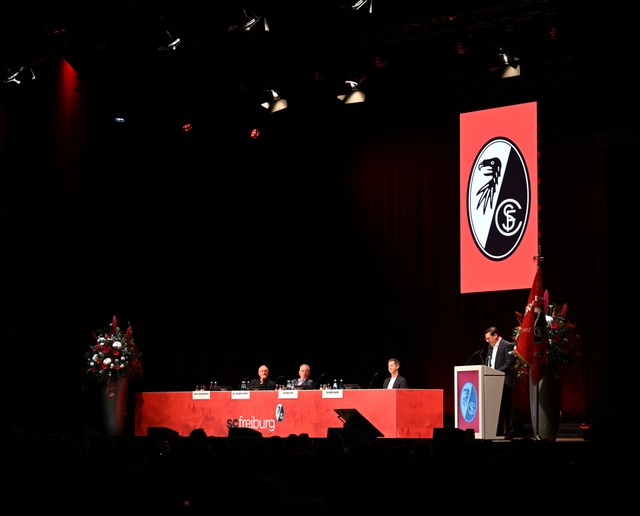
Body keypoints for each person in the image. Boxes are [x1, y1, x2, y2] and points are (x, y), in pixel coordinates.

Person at [484, 326, 516, 438]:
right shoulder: (490, 347)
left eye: (489, 338)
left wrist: (495, 372)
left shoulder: (507, 345)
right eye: (486, 339)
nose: (487, 341)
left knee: (507, 407)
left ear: (496, 336)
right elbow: (489, 362)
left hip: (505, 381)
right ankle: (497, 432)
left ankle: (510, 432)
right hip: (493, 381)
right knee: (495, 407)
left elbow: (508, 364)